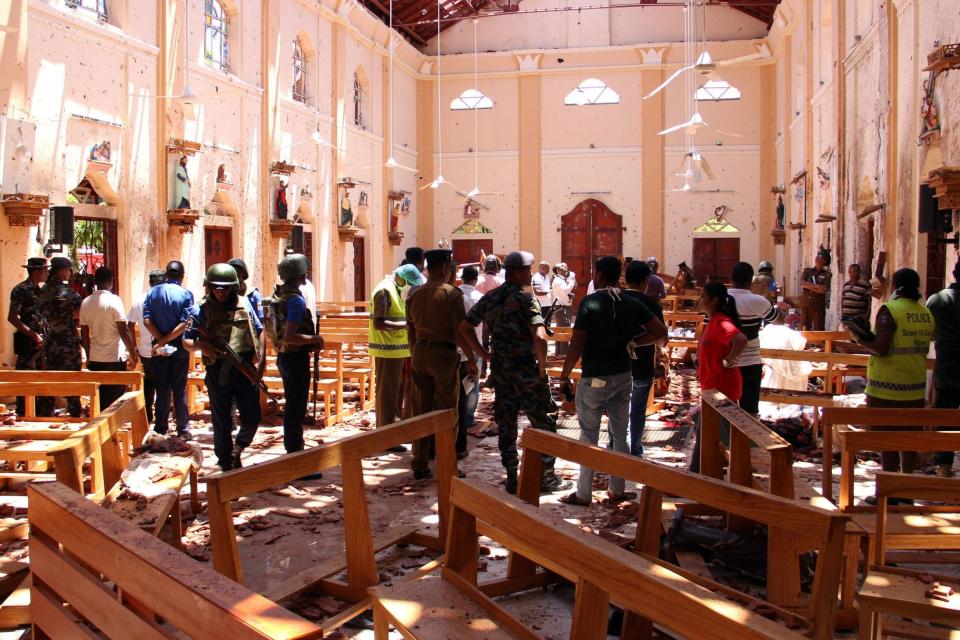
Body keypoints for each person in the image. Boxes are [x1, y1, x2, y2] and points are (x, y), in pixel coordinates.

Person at [558, 256, 667, 506]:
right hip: (623, 376)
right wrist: (635, 342)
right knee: (620, 433)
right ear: (619, 275)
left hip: (595, 377)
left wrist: (564, 375)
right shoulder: (630, 302)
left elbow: (577, 344)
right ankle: (617, 489)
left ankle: (584, 493)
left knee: (589, 435)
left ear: (598, 275)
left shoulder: (591, 303)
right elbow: (660, 332)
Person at [461, 251, 570, 494]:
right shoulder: (525, 299)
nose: (530, 275)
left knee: (507, 424)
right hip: (526, 371)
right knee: (544, 422)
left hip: (501, 372)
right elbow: (540, 337)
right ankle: (546, 477)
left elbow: (465, 326)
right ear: (518, 272)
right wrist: (542, 367)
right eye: (528, 271)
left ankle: (511, 475)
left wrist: (485, 354)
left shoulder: (491, 297)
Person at [851, 268, 934, 480]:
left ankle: (890, 488)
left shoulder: (890, 310)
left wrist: (858, 338)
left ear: (895, 285)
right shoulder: (925, 313)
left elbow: (881, 348)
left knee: (886, 440)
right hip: (914, 387)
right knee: (909, 439)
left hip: (886, 388)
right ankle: (907, 484)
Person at [184, 264, 265, 471]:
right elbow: (187, 341)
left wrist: (262, 361)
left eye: (225, 288)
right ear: (209, 287)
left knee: (252, 418)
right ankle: (226, 463)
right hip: (218, 371)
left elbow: (260, 330)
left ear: (234, 287)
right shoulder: (200, 309)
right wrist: (204, 345)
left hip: (244, 369)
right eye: (216, 288)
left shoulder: (245, 304)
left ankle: (238, 449)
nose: (221, 292)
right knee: (221, 422)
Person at [406, 249, 477, 480]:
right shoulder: (451, 294)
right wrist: (473, 359)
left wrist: (415, 354)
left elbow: (411, 332)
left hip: (420, 353)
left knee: (421, 409)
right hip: (444, 356)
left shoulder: (415, 294)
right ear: (446, 267)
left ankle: (419, 462)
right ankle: (448, 463)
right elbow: (460, 331)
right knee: (448, 411)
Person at [264, 254, 325, 460]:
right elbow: (290, 336)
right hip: (294, 357)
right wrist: (315, 338)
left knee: (294, 403)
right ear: (301, 274)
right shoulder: (296, 301)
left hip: (283, 356)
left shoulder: (279, 294)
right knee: (296, 407)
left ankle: (294, 446)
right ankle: (295, 451)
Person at [689, 282, 748, 473]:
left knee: (705, 432)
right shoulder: (712, 321)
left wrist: (730, 359)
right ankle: (713, 469)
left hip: (722, 388)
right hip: (711, 386)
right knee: (711, 432)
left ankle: (695, 474)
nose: (700, 300)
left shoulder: (722, 322)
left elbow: (740, 339)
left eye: (703, 296)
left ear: (714, 300)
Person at [369, 264, 424, 451]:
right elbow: (379, 323)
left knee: (394, 395)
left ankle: (391, 433)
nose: (410, 287)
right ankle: (385, 438)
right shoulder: (384, 291)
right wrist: (406, 325)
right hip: (387, 349)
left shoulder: (394, 289)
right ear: (402, 278)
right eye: (409, 283)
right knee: (387, 395)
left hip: (396, 350)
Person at [143, 261, 195, 438]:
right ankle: (183, 429)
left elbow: (147, 321)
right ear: (182, 276)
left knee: (162, 388)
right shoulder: (186, 294)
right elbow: (184, 324)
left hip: (159, 349)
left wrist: (160, 341)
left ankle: (160, 427)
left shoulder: (152, 292)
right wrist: (167, 340)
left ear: (166, 275)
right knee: (179, 389)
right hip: (179, 348)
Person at [622, 260, 666, 456]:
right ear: (646, 280)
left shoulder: (617, 300)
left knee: (617, 409)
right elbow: (662, 338)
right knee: (638, 410)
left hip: (617, 364)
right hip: (642, 364)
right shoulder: (650, 304)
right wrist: (640, 342)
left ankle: (615, 445)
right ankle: (635, 448)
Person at [79, 267, 138, 411]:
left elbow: (84, 334)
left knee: (100, 397)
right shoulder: (114, 300)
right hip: (113, 358)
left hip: (95, 357)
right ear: (111, 282)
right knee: (115, 399)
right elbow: (123, 330)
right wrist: (132, 353)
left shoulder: (86, 302)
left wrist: (88, 355)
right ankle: (113, 430)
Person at [727, 262, 779, 415]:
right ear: (750, 281)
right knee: (749, 410)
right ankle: (745, 438)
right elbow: (777, 318)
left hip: (726, 361)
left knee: (725, 408)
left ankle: (724, 437)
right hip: (751, 362)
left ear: (731, 278)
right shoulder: (760, 300)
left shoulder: (721, 300)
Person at [927, 260, 960, 477]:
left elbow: (930, 333)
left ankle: (944, 468)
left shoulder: (938, 300)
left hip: (948, 366)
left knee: (945, 416)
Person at [39, 257, 83, 417]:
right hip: (67, 342)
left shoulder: (43, 291)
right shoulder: (70, 293)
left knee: (50, 379)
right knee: (72, 380)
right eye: (69, 269)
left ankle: (45, 415)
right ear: (62, 270)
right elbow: (77, 314)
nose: (70, 273)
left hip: (50, 341)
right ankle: (75, 415)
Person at [7, 257, 50, 416]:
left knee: (41, 380)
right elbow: (12, 317)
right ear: (37, 271)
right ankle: (24, 413)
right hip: (28, 343)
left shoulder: (40, 290)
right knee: (25, 380)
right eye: (45, 270)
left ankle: (40, 413)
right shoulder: (21, 290)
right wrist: (32, 334)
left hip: (41, 345)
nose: (47, 273)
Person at [128, 269, 166, 424]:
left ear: (150, 282)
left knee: (149, 383)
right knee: (163, 384)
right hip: (163, 348)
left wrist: (133, 347)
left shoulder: (139, 300)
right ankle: (160, 418)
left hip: (145, 350)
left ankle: (148, 415)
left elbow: (129, 325)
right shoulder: (165, 298)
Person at [457, 266, 484, 456]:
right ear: (475, 279)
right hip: (476, 344)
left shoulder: (456, 295)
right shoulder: (479, 297)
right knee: (473, 383)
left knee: (460, 383)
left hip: (458, 346)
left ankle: (460, 416)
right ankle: (468, 417)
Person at [759, 306, 812, 392]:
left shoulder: (766, 332)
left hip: (775, 370)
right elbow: (800, 344)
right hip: (785, 368)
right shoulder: (791, 333)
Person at [801, 248, 832, 330]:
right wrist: (817, 286)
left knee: (819, 328)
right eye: (817, 255)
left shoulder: (827, 274)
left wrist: (809, 286)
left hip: (818, 306)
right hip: (806, 304)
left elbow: (824, 289)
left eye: (820, 255)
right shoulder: (807, 271)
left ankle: (818, 343)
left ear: (824, 261)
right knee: (804, 329)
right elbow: (802, 283)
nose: (817, 257)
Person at [228, 258, 264, 322]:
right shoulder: (224, 294)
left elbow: (260, 318)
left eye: (237, 274)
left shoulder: (253, 294)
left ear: (243, 275)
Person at [551, 263, 576, 356]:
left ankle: (559, 353)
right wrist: (572, 280)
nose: (567, 267)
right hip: (562, 307)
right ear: (558, 270)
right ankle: (563, 354)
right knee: (564, 329)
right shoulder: (558, 280)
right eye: (563, 266)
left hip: (563, 306)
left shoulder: (561, 280)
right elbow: (565, 291)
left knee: (560, 329)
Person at [841, 263, 872, 327]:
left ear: (858, 272)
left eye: (854, 272)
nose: (851, 274)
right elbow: (843, 299)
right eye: (850, 272)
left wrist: (867, 315)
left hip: (858, 318)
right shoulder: (846, 285)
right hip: (847, 318)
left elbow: (869, 301)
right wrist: (843, 313)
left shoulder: (865, 285)